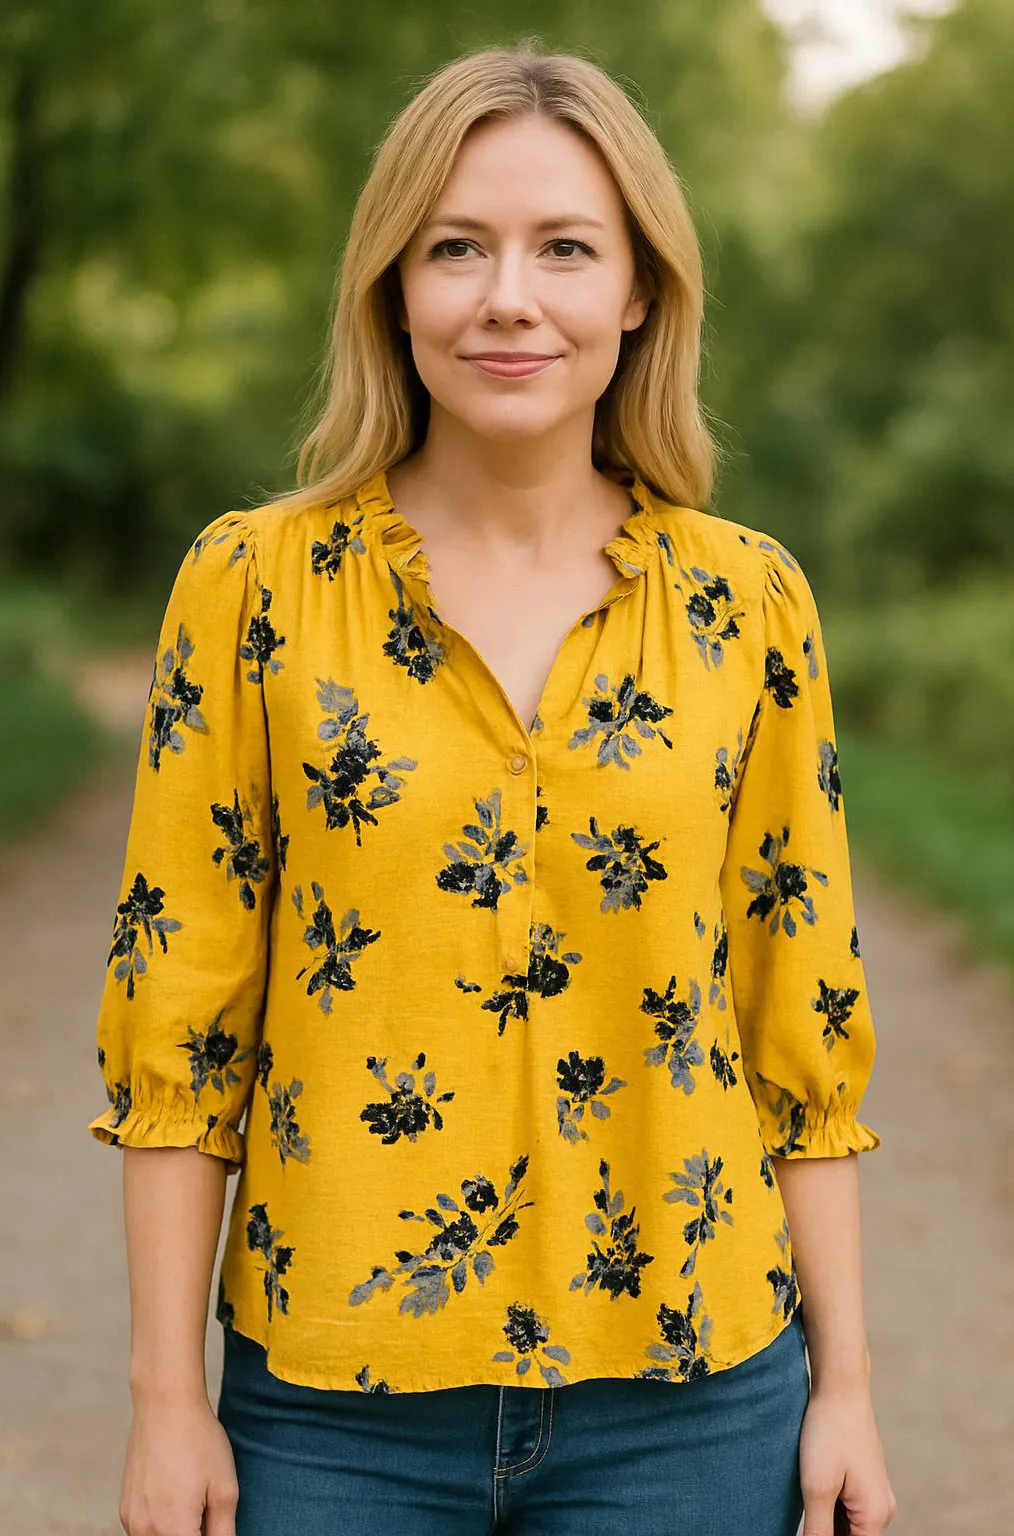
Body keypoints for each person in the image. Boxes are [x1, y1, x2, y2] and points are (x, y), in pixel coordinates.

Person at [89, 40, 898, 1536]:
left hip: (695, 1405)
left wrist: (842, 1386)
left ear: (640, 289)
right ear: (392, 288)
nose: (507, 296)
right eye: (455, 247)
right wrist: (163, 1402)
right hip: (331, 1414)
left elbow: (798, 1015)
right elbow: (181, 1014)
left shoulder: (746, 602)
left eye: (564, 249)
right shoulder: (252, 586)